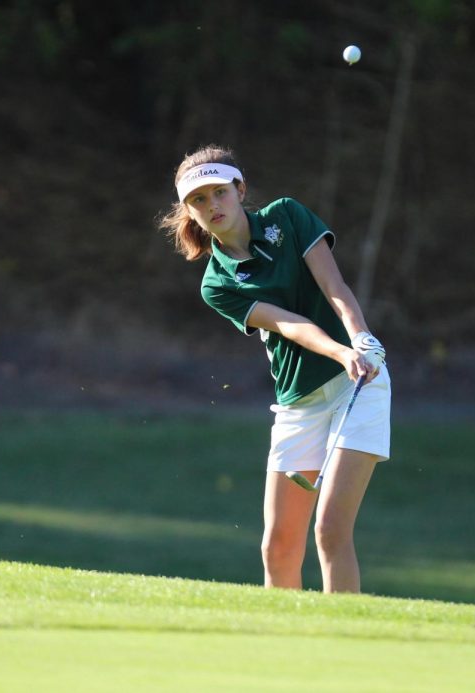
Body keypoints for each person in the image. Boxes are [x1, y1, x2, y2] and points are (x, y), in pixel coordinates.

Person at [159, 144, 391, 594]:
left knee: (329, 529)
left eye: (219, 193)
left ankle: (344, 645)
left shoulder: (287, 216)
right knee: (278, 546)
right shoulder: (218, 283)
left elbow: (333, 283)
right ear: (189, 210)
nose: (212, 205)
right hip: (298, 404)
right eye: (199, 200)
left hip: (359, 382)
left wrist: (359, 338)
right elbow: (290, 324)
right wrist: (340, 350)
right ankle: (285, 649)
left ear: (239, 189)